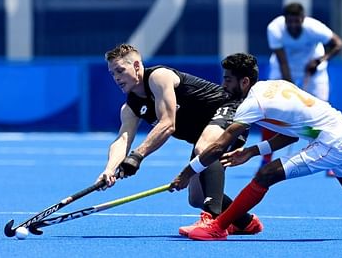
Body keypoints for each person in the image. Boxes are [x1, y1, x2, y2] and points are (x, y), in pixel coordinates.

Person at [170, 52, 342, 241]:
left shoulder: (252, 105)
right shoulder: (273, 86)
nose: (223, 85)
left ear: (244, 81)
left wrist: (187, 172)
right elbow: (292, 134)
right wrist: (253, 151)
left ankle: (217, 227)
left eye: (227, 80)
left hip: (330, 138)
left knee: (266, 176)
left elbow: (218, 147)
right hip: (339, 127)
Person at [96, 43, 263, 237]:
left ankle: (212, 221)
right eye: (112, 73)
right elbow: (123, 139)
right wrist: (109, 169)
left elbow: (168, 124)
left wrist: (137, 156)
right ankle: (245, 222)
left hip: (229, 110)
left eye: (120, 70)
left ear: (136, 65)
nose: (116, 78)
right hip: (205, 133)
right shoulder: (129, 108)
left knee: (205, 148)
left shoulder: (159, 77)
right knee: (196, 197)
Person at [260, 2, 342, 167]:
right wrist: (290, 90)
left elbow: (338, 44)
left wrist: (320, 60)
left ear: (303, 19)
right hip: (282, 69)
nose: (293, 25)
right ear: (285, 21)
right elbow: (283, 63)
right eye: (289, 22)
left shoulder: (314, 28)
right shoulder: (275, 29)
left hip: (313, 71)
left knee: (322, 115)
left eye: (296, 21)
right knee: (270, 112)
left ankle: (329, 160)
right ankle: (266, 159)